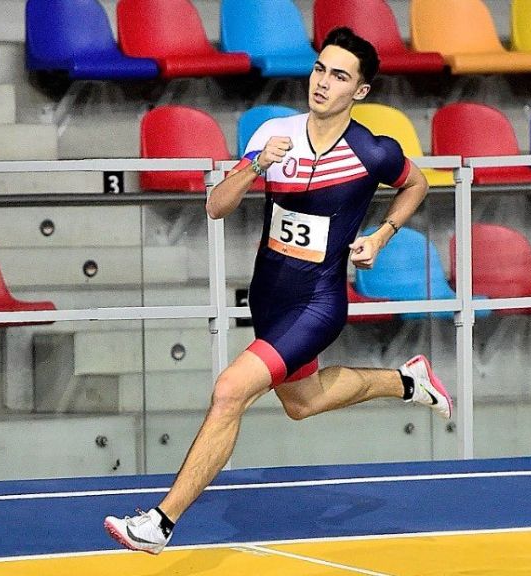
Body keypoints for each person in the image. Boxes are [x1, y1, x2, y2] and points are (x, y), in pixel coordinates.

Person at [104, 27, 451, 555]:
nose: (323, 83)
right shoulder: (273, 133)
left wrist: (382, 234)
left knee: (229, 391)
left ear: (359, 91)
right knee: (302, 403)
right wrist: (258, 164)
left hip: (318, 304)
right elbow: (217, 205)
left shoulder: (372, 152)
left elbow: (417, 183)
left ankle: (159, 523)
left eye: (339, 76)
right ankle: (406, 381)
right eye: (320, 69)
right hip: (267, 299)